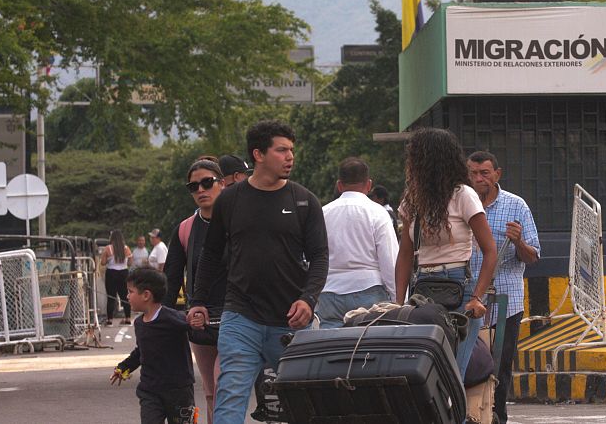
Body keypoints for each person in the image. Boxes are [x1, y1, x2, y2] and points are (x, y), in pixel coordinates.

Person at [187, 120, 328, 423]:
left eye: (291, 150)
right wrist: (197, 300)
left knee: (305, 402)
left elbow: (319, 256)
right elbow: (210, 254)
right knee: (231, 397)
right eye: (281, 150)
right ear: (258, 154)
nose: (290, 156)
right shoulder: (230, 199)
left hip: (291, 320)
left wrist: (309, 299)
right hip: (241, 318)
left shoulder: (304, 200)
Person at [394, 127, 497, 378]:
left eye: (415, 158)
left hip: (459, 287)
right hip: (422, 289)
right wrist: (398, 303)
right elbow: (405, 255)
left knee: (453, 373)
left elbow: (490, 250)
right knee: (425, 373)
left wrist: (477, 297)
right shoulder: (412, 200)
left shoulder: (463, 195)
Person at [467, 151, 540, 424]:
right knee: (466, 366)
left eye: (484, 173)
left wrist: (518, 242)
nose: (478, 179)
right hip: (467, 302)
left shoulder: (516, 206)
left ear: (497, 174)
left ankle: (497, 418)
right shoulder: (462, 203)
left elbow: (533, 256)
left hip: (504, 304)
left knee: (499, 369)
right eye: (473, 173)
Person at [163, 158, 228, 424]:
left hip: (239, 318)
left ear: (222, 184)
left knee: (222, 382)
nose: (201, 190)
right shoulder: (185, 229)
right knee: (211, 391)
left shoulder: (241, 221)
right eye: (193, 186)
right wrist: (165, 321)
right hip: (200, 319)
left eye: (207, 182)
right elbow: (172, 277)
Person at [316, 157, 398, 328]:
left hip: (329, 292)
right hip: (368, 290)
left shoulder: (323, 213)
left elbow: (314, 257)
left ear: (339, 185)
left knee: (333, 349)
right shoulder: (378, 213)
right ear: (368, 185)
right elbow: (389, 259)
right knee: (368, 349)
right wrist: (398, 298)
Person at [110, 268, 196, 424]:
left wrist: (196, 321)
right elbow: (140, 352)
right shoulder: (139, 323)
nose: (127, 296)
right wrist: (123, 367)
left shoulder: (173, 319)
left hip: (180, 391)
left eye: (130, 292)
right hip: (150, 391)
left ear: (146, 295)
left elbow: (192, 326)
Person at [100, 229, 133, 326]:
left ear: (112, 238)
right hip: (123, 273)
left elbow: (103, 262)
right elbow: (130, 262)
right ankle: (127, 318)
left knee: (111, 296)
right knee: (125, 296)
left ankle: (109, 320)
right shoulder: (126, 248)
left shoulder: (108, 248)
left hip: (111, 273)